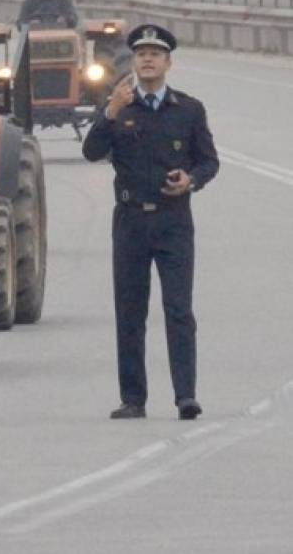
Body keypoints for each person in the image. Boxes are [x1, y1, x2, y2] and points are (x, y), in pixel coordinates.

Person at [82, 24, 219, 421]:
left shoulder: (188, 109)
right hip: (130, 222)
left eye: (155, 54)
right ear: (133, 61)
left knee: (178, 310)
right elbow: (92, 152)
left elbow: (208, 159)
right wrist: (109, 113)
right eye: (141, 53)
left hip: (174, 221)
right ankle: (133, 399)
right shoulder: (119, 106)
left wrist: (191, 180)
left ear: (168, 63)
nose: (147, 59)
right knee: (130, 312)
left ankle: (186, 396)